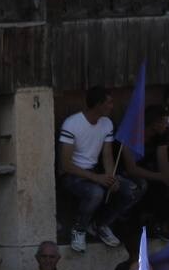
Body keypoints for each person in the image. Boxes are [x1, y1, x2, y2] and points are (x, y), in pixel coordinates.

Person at [57, 86, 142, 253]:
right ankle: (79, 229)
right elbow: (65, 165)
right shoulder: (72, 123)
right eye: (109, 102)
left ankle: (101, 224)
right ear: (97, 104)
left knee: (132, 190)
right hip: (72, 175)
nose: (112, 106)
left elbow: (107, 155)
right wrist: (97, 178)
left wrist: (111, 177)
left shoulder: (107, 123)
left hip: (94, 173)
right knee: (96, 193)